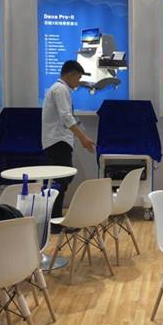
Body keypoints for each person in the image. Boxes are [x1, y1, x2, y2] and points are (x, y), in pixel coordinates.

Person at [42, 60, 96, 228]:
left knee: (63, 179)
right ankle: (55, 221)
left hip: (58, 141)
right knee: (60, 181)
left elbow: (68, 117)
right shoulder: (60, 90)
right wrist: (82, 138)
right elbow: (66, 117)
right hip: (58, 141)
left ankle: (56, 218)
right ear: (70, 74)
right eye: (78, 78)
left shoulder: (59, 89)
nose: (78, 82)